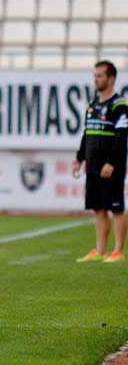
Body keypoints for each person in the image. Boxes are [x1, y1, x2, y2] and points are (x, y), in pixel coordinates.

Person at [74, 60, 128, 263]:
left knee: (116, 208)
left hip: (110, 167)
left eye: (100, 76)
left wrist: (111, 163)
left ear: (111, 78)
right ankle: (100, 250)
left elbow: (121, 137)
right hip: (93, 165)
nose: (95, 79)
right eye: (94, 76)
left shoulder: (119, 105)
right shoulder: (93, 105)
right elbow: (87, 134)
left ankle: (118, 251)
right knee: (98, 208)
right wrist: (79, 158)